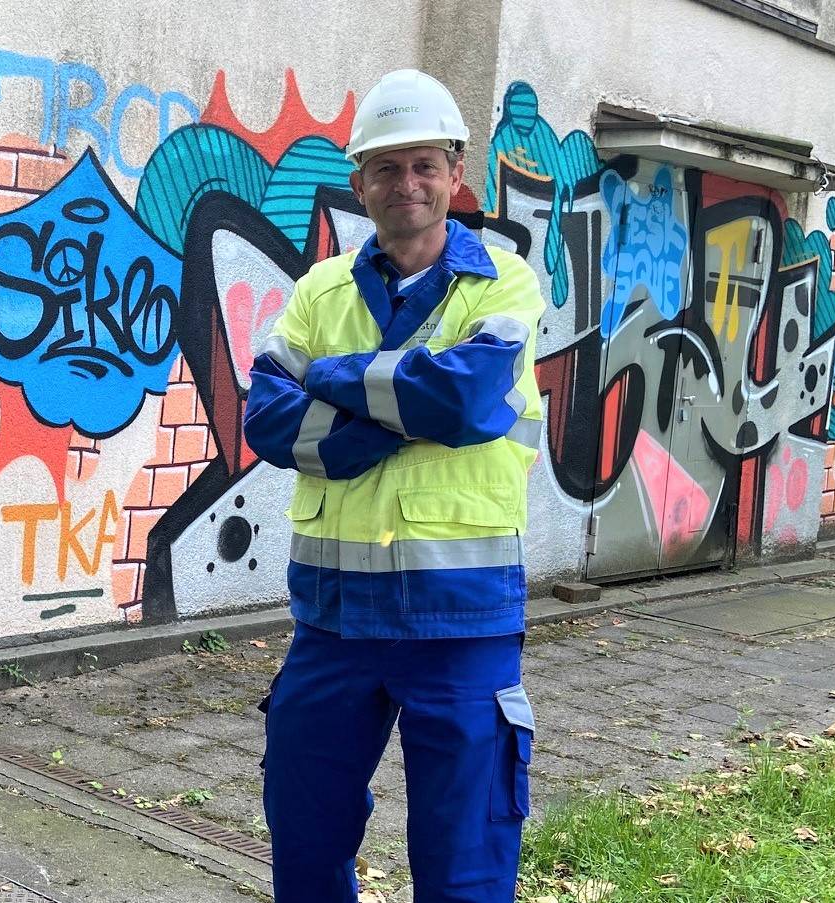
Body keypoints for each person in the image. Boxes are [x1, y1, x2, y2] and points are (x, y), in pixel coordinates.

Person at [243, 68, 546, 903]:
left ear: (455, 171)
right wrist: (397, 408)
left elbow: (462, 396)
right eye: (385, 167)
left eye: (423, 165)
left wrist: (334, 377)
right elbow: (266, 417)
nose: (405, 184)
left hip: (461, 618)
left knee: (464, 852)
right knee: (303, 829)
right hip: (334, 622)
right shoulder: (319, 291)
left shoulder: (507, 282)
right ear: (359, 183)